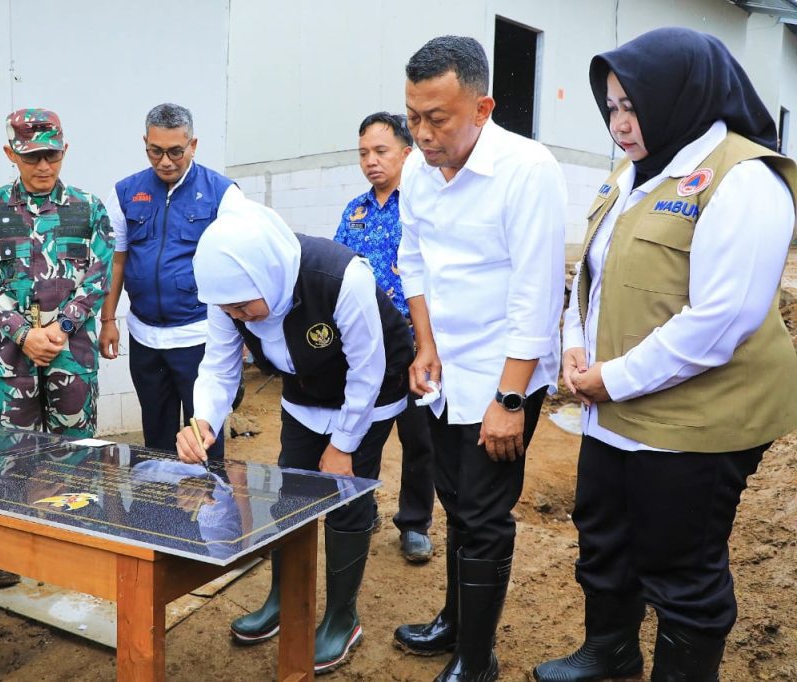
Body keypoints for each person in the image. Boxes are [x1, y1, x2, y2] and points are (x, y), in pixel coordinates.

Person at [533, 28, 797, 682]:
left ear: (683, 95)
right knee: (604, 535)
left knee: (681, 564)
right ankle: (611, 650)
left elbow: (723, 319)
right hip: (612, 406)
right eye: (612, 107)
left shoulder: (744, 179)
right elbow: (590, 277)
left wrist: (612, 378)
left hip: (696, 422)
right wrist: (574, 345)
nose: (620, 124)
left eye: (633, 106)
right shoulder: (630, 174)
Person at [175, 200, 413, 673]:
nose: (237, 316)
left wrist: (343, 444)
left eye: (243, 306)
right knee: (287, 495)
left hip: (368, 395)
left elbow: (367, 371)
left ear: (268, 275)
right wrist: (203, 420)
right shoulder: (229, 295)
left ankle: (342, 618)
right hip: (304, 394)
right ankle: (284, 599)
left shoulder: (340, 278)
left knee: (346, 498)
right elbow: (219, 367)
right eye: (229, 309)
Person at [394, 36, 567, 681]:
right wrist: (425, 345)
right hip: (446, 368)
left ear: (482, 107)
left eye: (437, 118)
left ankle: (477, 658)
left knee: (486, 515)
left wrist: (510, 399)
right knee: (454, 497)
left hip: (503, 371)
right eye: (413, 116)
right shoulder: (419, 168)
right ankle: (454, 620)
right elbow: (413, 260)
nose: (422, 133)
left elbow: (536, 292)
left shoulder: (527, 169)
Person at [0, 109, 114, 585]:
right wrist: (24, 334)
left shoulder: (88, 208)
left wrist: (60, 328)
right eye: (31, 157)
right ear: (10, 154)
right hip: (11, 359)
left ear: (64, 151)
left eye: (51, 155)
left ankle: (74, 545)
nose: (43, 166)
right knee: (7, 453)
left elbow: (98, 276)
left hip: (72, 354)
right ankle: (4, 552)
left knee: (75, 450)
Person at [99, 103, 245, 461]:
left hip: (200, 336)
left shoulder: (223, 193)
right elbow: (116, 260)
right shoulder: (125, 192)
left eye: (176, 152)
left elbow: (240, 267)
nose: (165, 161)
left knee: (203, 437)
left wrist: (243, 335)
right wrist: (108, 319)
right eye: (155, 151)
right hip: (145, 338)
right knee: (156, 437)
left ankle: (209, 496)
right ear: (145, 143)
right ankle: (157, 497)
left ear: (193, 145)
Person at [333, 111, 435, 564]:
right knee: (362, 431)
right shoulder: (354, 211)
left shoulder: (424, 204)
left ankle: (414, 523)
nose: (371, 161)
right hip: (363, 348)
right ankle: (363, 507)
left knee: (419, 439)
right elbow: (336, 267)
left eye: (380, 151)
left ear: (407, 153)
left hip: (415, 345)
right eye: (363, 153)